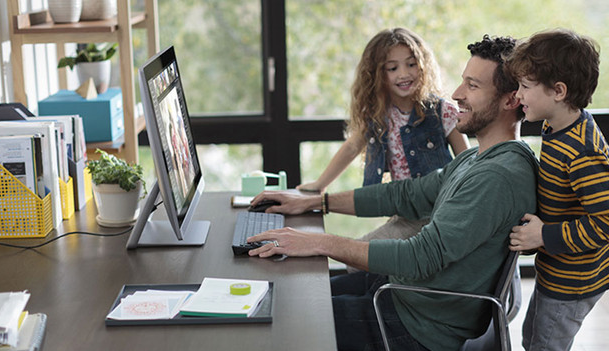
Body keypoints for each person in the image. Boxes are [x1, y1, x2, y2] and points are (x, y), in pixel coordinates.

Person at [247, 35, 537, 351]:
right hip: (404, 293)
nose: (456, 94)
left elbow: (421, 256)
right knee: (289, 293)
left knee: (283, 317)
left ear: (511, 100)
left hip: (415, 326)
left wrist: (318, 242)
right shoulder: (475, 158)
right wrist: (316, 202)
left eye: (473, 86)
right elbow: (404, 194)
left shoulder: (496, 177)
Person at [298, 27, 470, 243]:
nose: (404, 74)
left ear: (423, 66)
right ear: (378, 74)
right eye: (392, 68)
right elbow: (352, 147)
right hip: (403, 213)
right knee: (360, 260)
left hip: (438, 212)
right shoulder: (378, 117)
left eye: (411, 64)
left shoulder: (440, 111)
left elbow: (469, 161)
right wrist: (320, 184)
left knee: (361, 256)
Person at [506, 28, 609, 351]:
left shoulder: (582, 152)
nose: (518, 95)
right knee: (530, 338)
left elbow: (605, 224)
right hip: (555, 270)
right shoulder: (557, 126)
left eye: (524, 86)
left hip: (574, 280)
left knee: (544, 346)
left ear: (559, 91)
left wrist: (543, 235)